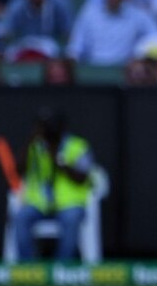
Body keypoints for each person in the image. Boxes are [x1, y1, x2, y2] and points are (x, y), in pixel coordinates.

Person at [9, 108, 94, 262]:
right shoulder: (36, 146)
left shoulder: (77, 145)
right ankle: (28, 268)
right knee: (21, 217)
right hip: (39, 203)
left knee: (71, 218)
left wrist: (60, 161)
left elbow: (82, 177)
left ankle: (62, 267)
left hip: (69, 203)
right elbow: (18, 170)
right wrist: (30, 141)